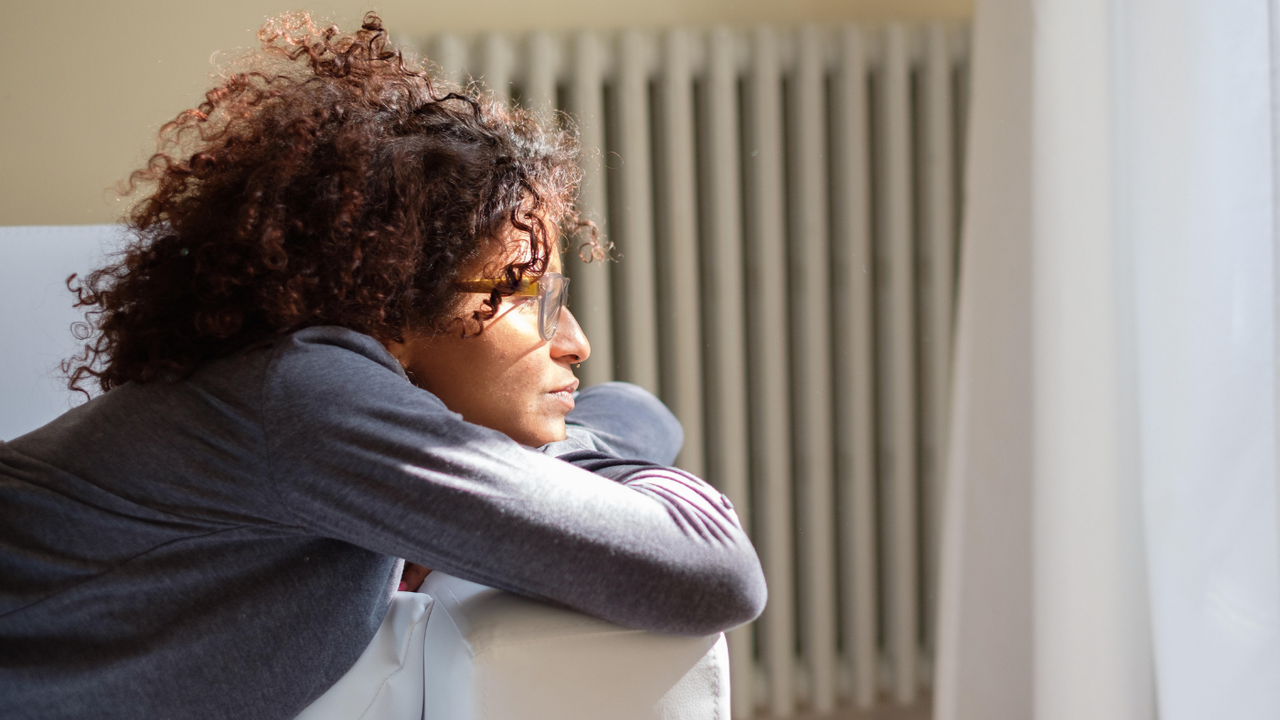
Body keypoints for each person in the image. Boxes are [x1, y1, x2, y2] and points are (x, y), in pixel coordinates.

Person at [0, 13, 765, 720]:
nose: (574, 341)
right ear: (397, 300)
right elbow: (712, 569)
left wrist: (522, 474)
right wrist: (532, 476)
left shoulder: (314, 416)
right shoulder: (309, 399)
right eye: (525, 292)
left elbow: (638, 412)